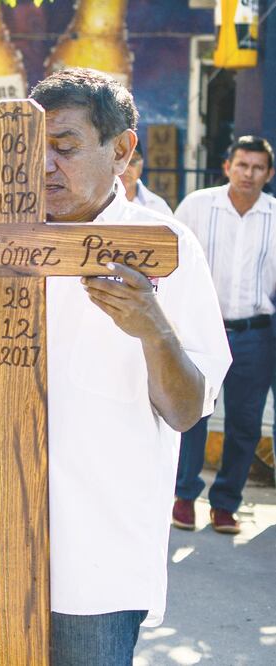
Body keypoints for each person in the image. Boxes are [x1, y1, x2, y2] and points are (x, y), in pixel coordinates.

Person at [0, 68, 231, 663]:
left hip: (96, 558)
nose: (43, 165)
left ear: (122, 149)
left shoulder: (162, 248)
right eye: (27, 150)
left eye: (66, 147)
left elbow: (183, 410)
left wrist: (152, 329)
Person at [173, 135, 276, 535]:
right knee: (193, 413)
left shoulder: (273, 215)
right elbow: (175, 261)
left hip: (255, 334)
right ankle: (184, 496)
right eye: (242, 165)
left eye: (257, 168)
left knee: (246, 423)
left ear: (269, 174)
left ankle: (226, 503)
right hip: (201, 329)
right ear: (227, 166)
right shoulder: (198, 206)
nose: (248, 174)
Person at [119, 145, 174, 217]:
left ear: (141, 166)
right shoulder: (100, 204)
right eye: (120, 161)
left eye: (132, 162)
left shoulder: (159, 207)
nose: (126, 169)